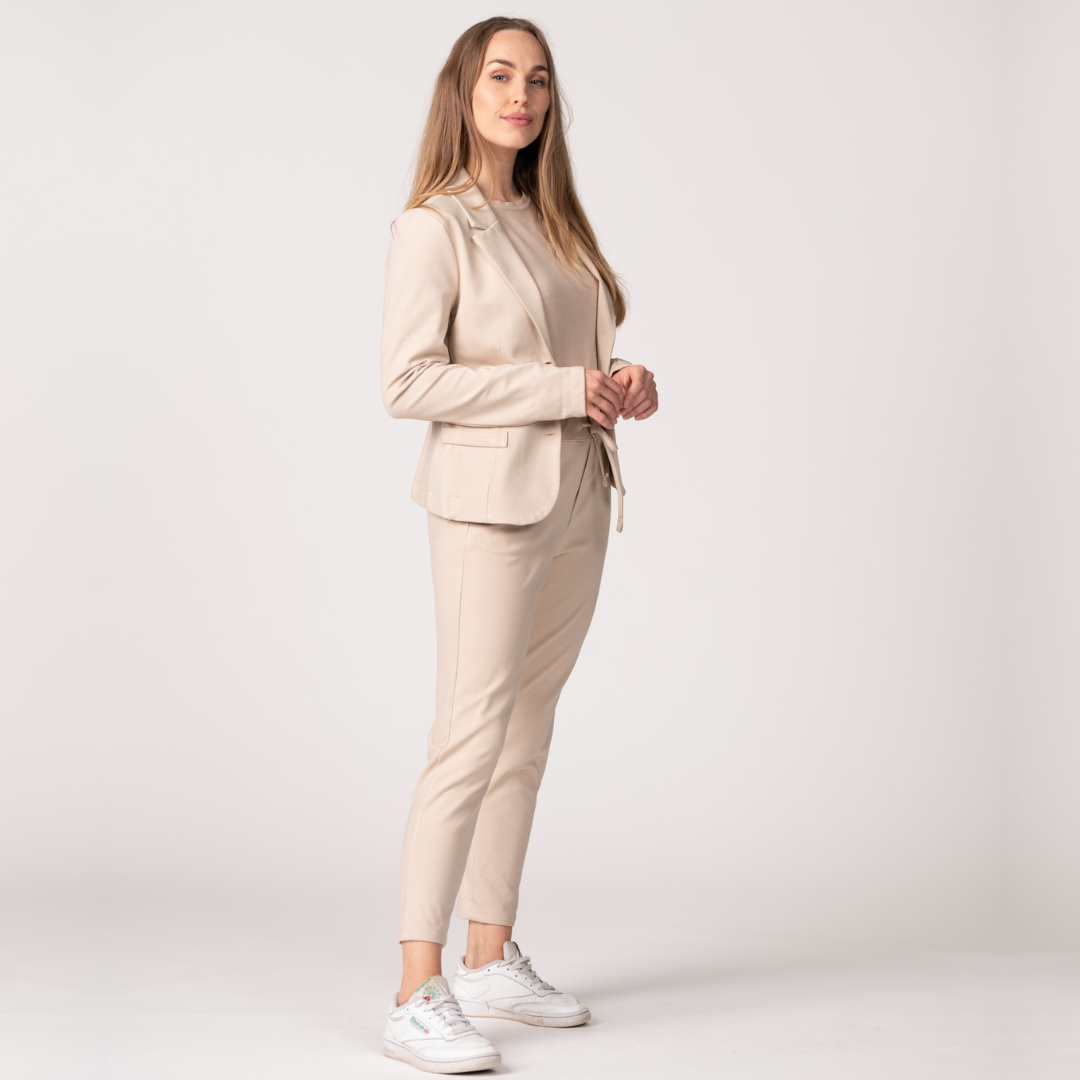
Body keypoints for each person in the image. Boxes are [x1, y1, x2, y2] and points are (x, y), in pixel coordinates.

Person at [378, 16, 658, 1074]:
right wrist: (558, 389)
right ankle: (416, 988)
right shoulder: (433, 225)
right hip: (489, 505)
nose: (522, 95)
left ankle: (488, 955)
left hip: (581, 492)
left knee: (528, 730)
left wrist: (623, 379)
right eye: (500, 75)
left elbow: (571, 352)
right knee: (470, 731)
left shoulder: (553, 220)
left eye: (538, 80)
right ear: (465, 90)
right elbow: (408, 381)